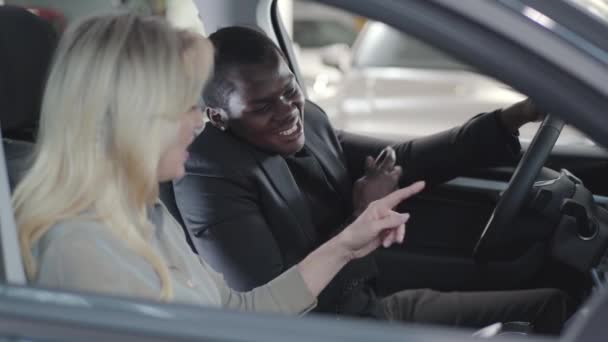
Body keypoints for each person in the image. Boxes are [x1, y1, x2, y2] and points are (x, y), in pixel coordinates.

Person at [13, 13, 422, 315]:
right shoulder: (82, 252)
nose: (198, 122)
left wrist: (346, 246)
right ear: (133, 118)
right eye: (186, 105)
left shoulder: (144, 214)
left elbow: (238, 314)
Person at [173, 26, 572, 334]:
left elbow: (397, 160)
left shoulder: (305, 116)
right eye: (262, 106)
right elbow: (273, 309)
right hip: (334, 329)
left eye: (289, 88)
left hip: (369, 302)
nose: (287, 111)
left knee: (557, 306)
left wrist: (512, 117)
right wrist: (363, 215)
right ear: (219, 116)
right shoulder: (206, 174)